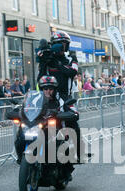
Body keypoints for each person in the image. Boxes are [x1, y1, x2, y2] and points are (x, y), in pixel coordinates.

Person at [36, 30, 86, 162]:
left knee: (73, 118)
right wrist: (43, 63)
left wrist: (57, 64)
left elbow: (71, 72)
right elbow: (39, 79)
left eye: (64, 44)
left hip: (65, 96)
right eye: (59, 44)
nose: (61, 47)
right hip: (47, 95)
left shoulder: (71, 58)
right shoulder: (48, 58)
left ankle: (79, 152)